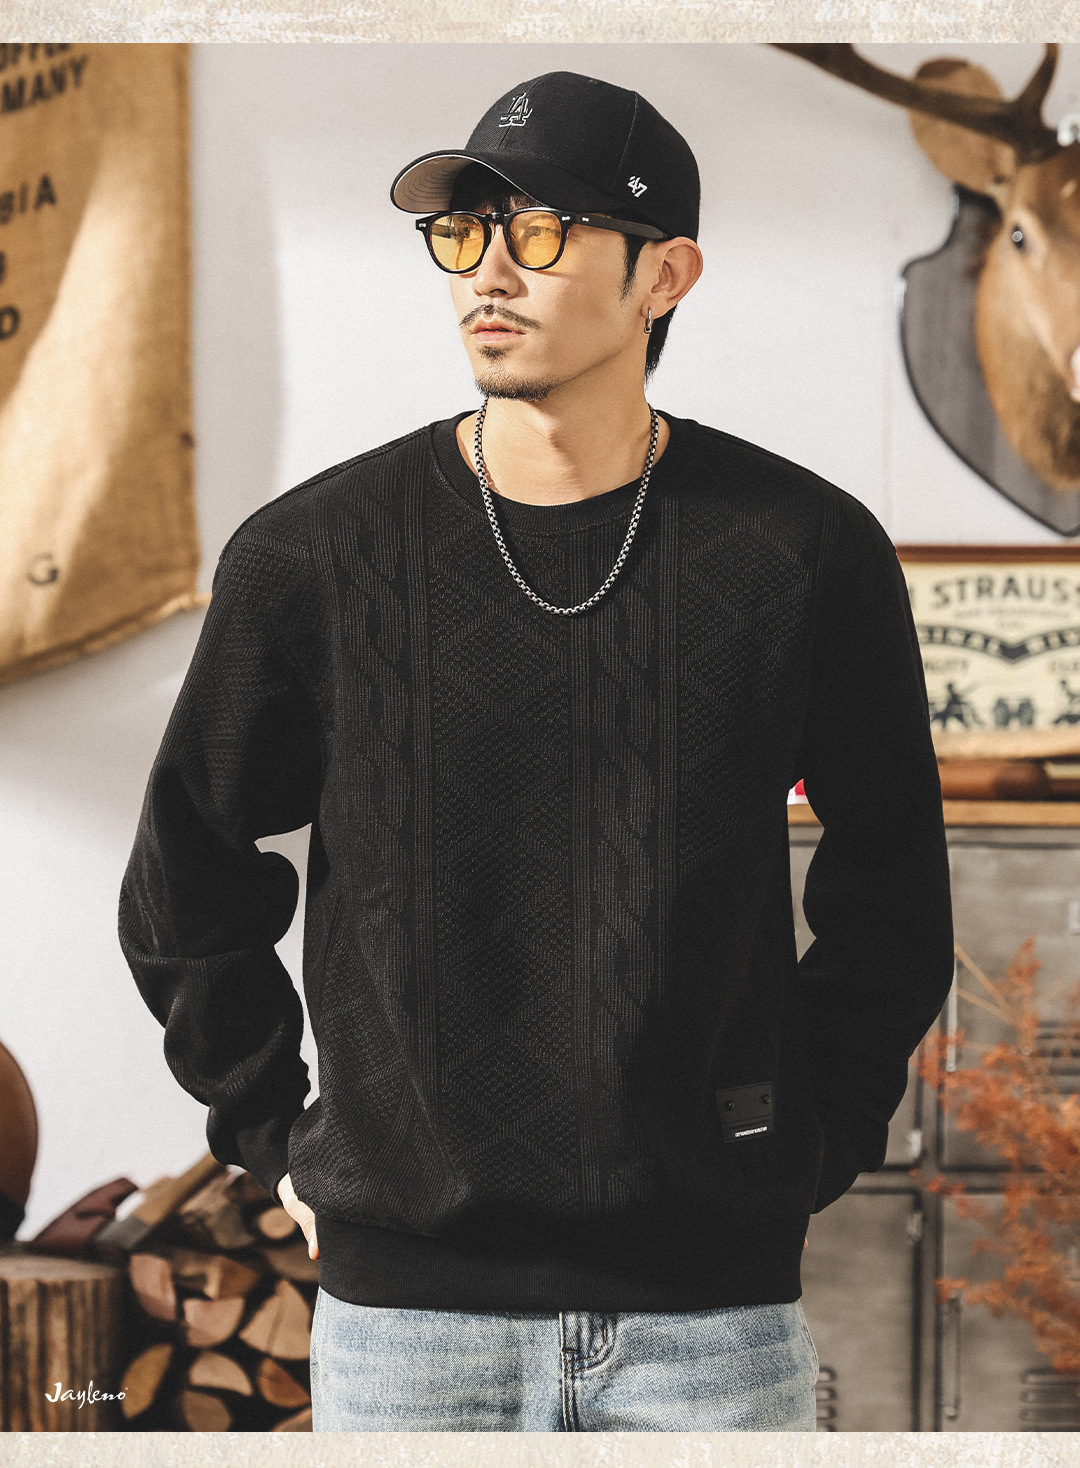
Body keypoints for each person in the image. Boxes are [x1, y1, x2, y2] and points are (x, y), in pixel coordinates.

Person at [118, 69, 954, 1432]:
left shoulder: (802, 554)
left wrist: (814, 1141)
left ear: (665, 273)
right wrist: (273, 1137)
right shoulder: (315, 558)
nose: (488, 273)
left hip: (713, 1328)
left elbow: (894, 889)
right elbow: (183, 877)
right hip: (408, 1333)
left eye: (543, 231)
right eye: (463, 232)